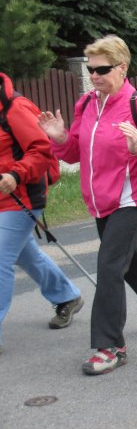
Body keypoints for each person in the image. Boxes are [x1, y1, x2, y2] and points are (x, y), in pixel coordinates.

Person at [38, 36, 137, 376]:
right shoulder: (88, 104)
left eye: (101, 69)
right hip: (100, 198)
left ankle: (109, 346)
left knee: (108, 265)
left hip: (131, 198)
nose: (94, 76)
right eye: (91, 70)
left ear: (122, 67)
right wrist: (59, 137)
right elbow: (75, 152)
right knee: (127, 261)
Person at [1, 73, 83, 354]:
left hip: (20, 196)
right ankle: (67, 296)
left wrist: (15, 174)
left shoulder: (15, 108)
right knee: (24, 253)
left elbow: (42, 149)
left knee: (0, 257)